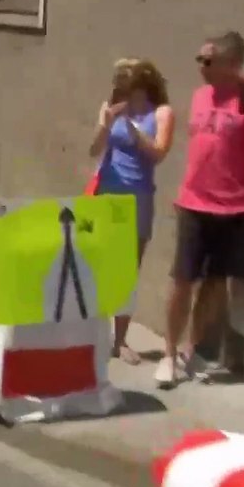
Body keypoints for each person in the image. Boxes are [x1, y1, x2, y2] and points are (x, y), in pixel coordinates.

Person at [157, 31, 244, 388]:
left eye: (207, 60)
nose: (200, 67)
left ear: (231, 64)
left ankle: (191, 350)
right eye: (199, 60)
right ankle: (169, 354)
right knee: (182, 280)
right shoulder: (201, 95)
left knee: (217, 283)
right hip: (195, 202)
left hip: (238, 206)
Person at [86, 58, 174, 365]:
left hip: (137, 199)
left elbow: (160, 153)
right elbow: (94, 150)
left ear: (140, 86)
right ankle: (92, 334)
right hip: (107, 194)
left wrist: (135, 133)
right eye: (118, 87)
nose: (120, 92)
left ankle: (119, 340)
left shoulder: (160, 113)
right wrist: (105, 124)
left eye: (126, 86)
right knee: (97, 265)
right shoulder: (112, 108)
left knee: (127, 270)